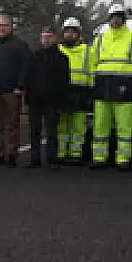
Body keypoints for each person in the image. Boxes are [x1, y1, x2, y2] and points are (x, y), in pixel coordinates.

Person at [89, 3, 132, 170]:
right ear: (109, 19)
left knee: (125, 127)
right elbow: (91, 62)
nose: (116, 20)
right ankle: (99, 157)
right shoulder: (100, 38)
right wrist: (91, 84)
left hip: (126, 88)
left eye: (119, 17)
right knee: (100, 124)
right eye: (113, 17)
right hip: (103, 88)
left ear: (124, 19)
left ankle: (123, 159)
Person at [23, 26, 70, 170]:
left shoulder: (62, 58)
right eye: (44, 36)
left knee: (52, 132)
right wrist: (24, 92)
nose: (47, 39)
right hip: (35, 100)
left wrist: (62, 101)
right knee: (34, 131)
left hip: (53, 101)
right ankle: (34, 159)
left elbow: (65, 81)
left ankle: (52, 160)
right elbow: (26, 76)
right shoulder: (34, 56)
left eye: (49, 36)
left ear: (56, 38)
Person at [0, 14, 30, 167]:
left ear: (11, 27)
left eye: (5, 25)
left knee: (12, 124)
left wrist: (20, 86)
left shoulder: (20, 45)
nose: (2, 28)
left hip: (13, 90)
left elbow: (25, 67)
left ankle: (12, 154)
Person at [56, 18, 92, 165]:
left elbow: (92, 72)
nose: (70, 34)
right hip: (62, 92)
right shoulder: (57, 49)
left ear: (78, 34)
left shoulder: (88, 50)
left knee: (78, 126)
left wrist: (91, 93)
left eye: (73, 32)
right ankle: (61, 153)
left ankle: (76, 154)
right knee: (62, 126)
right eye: (67, 31)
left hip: (81, 92)